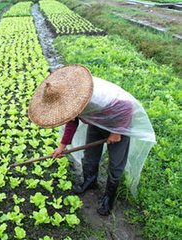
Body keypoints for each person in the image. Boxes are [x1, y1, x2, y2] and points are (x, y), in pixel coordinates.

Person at [28, 64, 155, 216]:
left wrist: (116, 132)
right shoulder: (69, 99)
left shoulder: (97, 97)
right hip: (98, 121)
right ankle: (90, 181)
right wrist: (62, 146)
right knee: (90, 155)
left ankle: (108, 197)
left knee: (116, 164)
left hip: (118, 122)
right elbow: (72, 120)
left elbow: (127, 106)